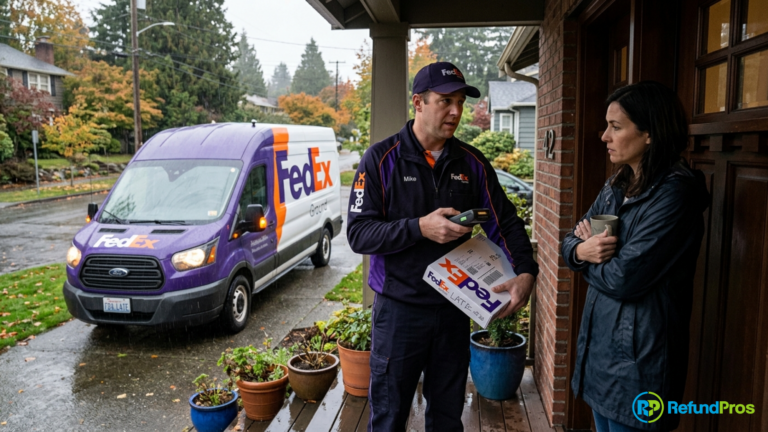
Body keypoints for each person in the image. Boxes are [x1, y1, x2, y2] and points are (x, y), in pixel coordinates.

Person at [346, 62, 538, 432]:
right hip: (399, 312)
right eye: (445, 101)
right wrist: (420, 227)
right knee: (388, 417)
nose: (455, 111)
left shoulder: (472, 163)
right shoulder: (381, 160)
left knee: (448, 417)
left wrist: (526, 272)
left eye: (461, 102)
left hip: (454, 309)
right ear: (418, 102)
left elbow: (506, 223)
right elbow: (359, 234)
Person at [561, 81, 710, 432]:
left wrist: (588, 259)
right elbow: (569, 240)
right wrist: (582, 251)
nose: (604, 136)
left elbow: (625, 279)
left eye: (615, 127)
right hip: (600, 354)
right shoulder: (617, 185)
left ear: (649, 134)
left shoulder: (676, 194)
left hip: (641, 363)